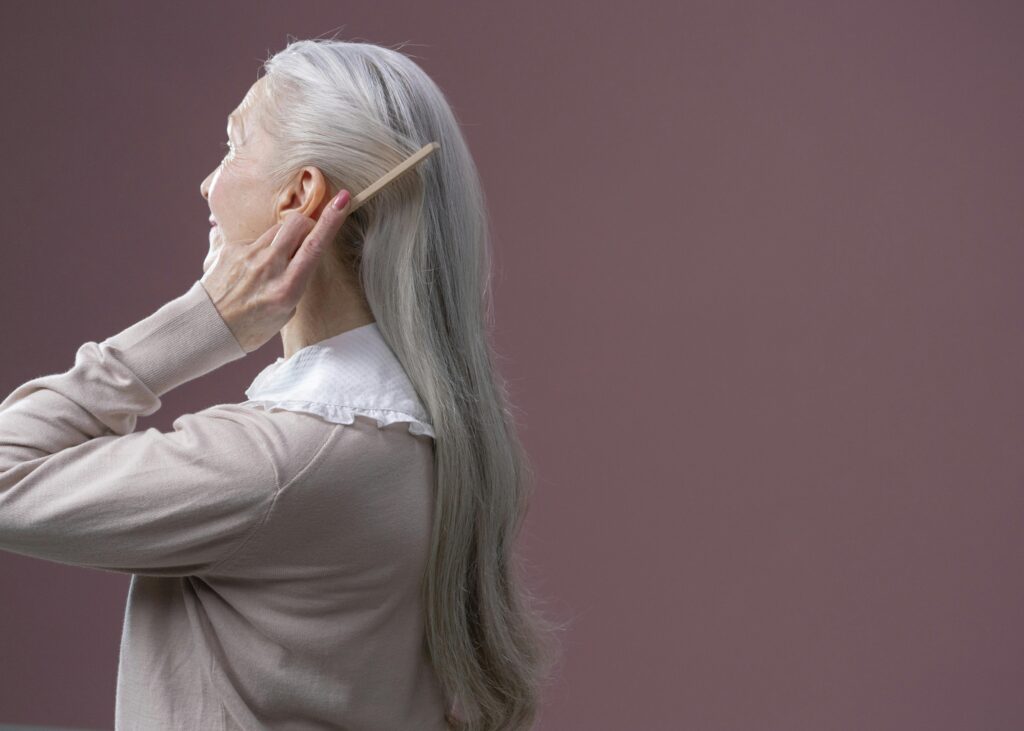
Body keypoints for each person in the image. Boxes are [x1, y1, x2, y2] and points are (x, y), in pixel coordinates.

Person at [0, 38, 563, 730]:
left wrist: (202, 321)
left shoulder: (277, 466)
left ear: (301, 195)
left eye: (234, 144)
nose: (209, 183)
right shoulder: (424, 442)